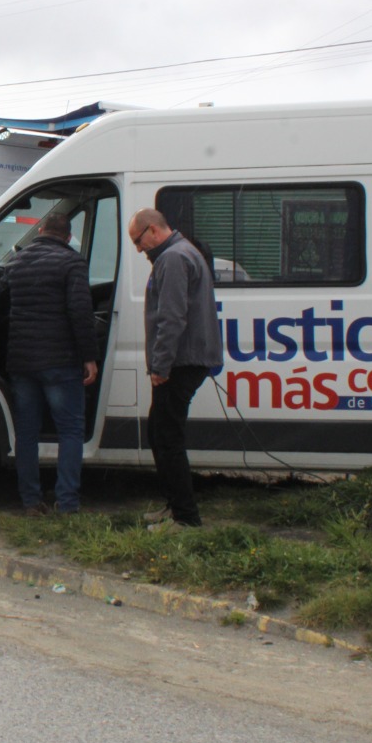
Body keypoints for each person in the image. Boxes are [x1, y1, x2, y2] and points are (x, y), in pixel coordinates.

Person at [0, 212, 100, 515]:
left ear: (40, 230)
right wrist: (89, 357)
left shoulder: (16, 262)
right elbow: (80, 312)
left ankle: (30, 501)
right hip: (60, 361)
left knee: (26, 432)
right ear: (68, 236)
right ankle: (67, 503)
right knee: (70, 431)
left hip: (22, 362)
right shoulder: (72, 263)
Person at [128, 207, 224, 530]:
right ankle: (175, 507)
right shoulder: (183, 253)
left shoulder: (172, 258)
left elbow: (172, 318)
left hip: (179, 362)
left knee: (167, 438)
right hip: (185, 360)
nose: (139, 250)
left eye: (138, 241)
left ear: (153, 230)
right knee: (159, 432)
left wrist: (160, 365)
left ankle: (185, 518)